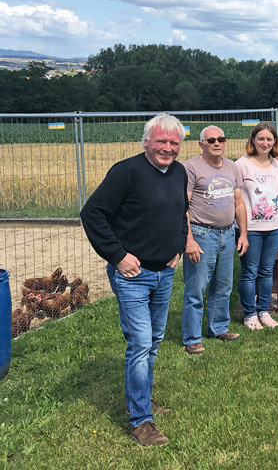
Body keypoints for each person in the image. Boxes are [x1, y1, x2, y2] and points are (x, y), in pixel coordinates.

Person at [80, 113, 188, 447]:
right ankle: (141, 421)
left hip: (165, 271)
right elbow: (92, 213)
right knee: (140, 343)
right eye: (161, 142)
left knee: (154, 340)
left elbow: (181, 212)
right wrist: (117, 255)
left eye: (174, 143)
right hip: (133, 274)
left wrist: (179, 244)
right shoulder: (126, 172)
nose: (167, 149)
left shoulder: (179, 172)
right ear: (146, 142)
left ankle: (141, 398)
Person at [181, 125, 249, 354]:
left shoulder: (232, 166)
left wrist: (244, 234)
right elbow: (183, 206)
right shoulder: (190, 168)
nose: (217, 143)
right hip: (202, 234)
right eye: (211, 140)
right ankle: (192, 337)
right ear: (201, 144)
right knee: (196, 288)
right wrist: (188, 240)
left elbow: (239, 202)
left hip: (228, 234)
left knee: (223, 286)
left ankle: (218, 327)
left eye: (221, 139)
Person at [236, 122, 278, 330]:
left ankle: (264, 311)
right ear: (253, 140)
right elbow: (237, 198)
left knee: (267, 271)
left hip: (274, 227)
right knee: (249, 272)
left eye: (269, 139)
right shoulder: (242, 165)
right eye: (261, 138)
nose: (265, 143)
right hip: (251, 229)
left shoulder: (277, 165)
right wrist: (243, 230)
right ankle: (249, 314)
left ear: (274, 142)